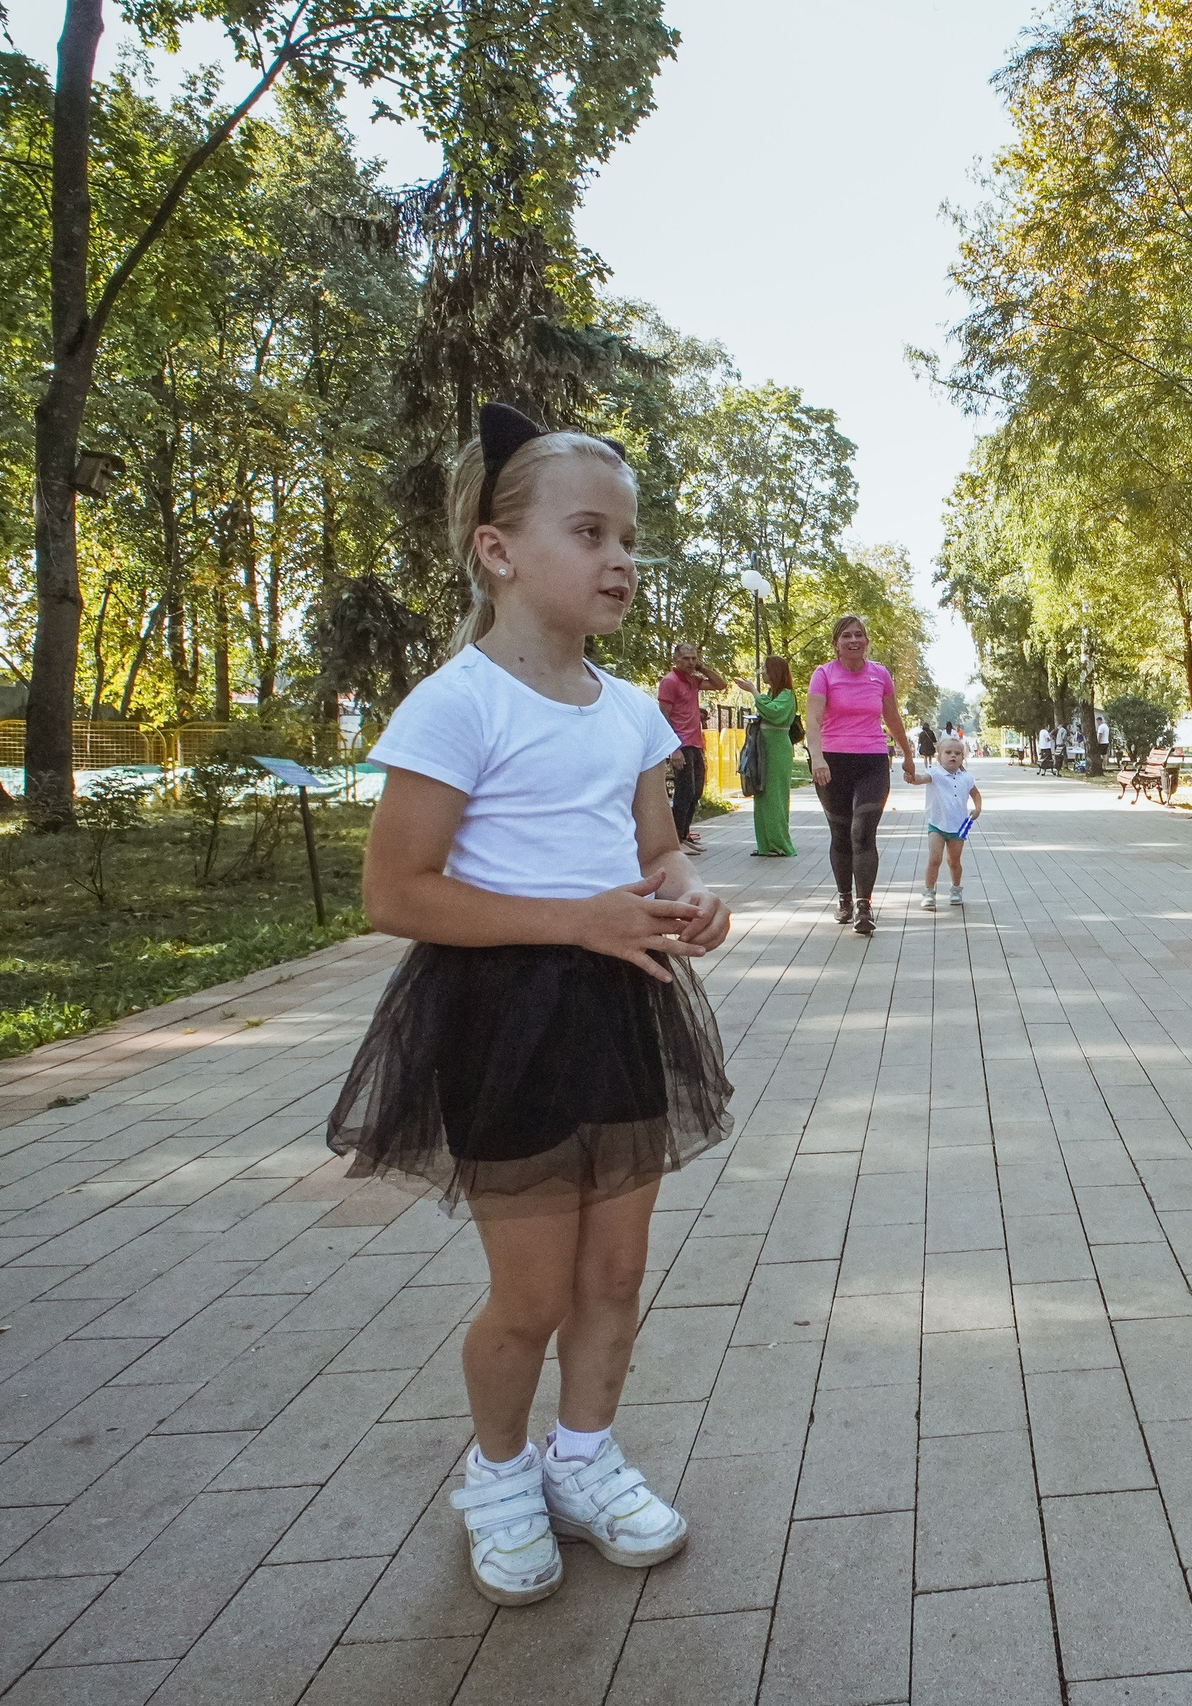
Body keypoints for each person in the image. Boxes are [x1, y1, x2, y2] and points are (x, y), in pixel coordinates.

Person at [328, 402, 735, 1607]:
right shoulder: (458, 704)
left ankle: (584, 1455)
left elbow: (655, 850)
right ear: (497, 550)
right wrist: (579, 919)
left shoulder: (630, 714)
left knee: (615, 1274)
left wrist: (687, 895)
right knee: (534, 1292)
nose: (621, 559)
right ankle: (497, 1471)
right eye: (591, 532)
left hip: (621, 1004)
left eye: (629, 538)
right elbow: (395, 891)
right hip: (499, 1019)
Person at [808, 615, 920, 936]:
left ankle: (863, 905)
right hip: (832, 762)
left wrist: (908, 755)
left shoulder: (880, 675)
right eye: (847, 636)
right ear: (836, 644)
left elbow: (892, 717)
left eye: (859, 635)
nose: (854, 640)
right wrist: (817, 757)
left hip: (872, 761)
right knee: (841, 833)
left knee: (862, 831)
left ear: (867, 642)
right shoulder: (823, 675)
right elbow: (813, 719)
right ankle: (844, 898)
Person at [657, 643, 724, 852]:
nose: (690, 663)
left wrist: (703, 669)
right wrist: (672, 748)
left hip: (696, 743)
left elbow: (720, 685)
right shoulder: (670, 682)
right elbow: (663, 716)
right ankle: (675, 841)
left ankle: (684, 835)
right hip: (681, 744)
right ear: (675, 659)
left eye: (693, 658)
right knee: (684, 793)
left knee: (696, 791)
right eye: (686, 658)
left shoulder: (693, 681)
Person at [909, 734, 982, 910]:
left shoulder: (966, 777)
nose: (953, 756)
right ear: (939, 757)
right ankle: (928, 892)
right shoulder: (934, 774)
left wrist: (977, 809)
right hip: (937, 824)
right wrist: (912, 777)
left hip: (961, 826)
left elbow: (975, 794)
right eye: (948, 752)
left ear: (962, 758)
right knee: (935, 859)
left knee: (954, 860)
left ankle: (956, 889)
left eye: (957, 753)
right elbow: (920, 779)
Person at [747, 655, 799, 857]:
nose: (763, 672)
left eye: (766, 669)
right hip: (764, 747)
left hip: (777, 748)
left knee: (775, 795)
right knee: (761, 793)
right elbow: (767, 704)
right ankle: (766, 844)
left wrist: (753, 690)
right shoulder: (773, 693)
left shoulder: (786, 695)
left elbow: (773, 712)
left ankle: (779, 844)